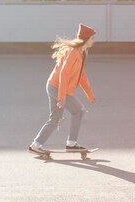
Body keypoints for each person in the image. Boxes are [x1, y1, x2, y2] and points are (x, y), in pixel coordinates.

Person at [29, 23, 97, 156]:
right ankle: (71, 144)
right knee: (79, 111)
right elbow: (64, 74)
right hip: (57, 87)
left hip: (56, 86)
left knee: (55, 118)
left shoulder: (81, 53)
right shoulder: (73, 52)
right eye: (92, 38)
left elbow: (81, 75)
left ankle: (35, 145)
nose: (94, 41)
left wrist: (90, 93)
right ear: (86, 39)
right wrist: (61, 98)